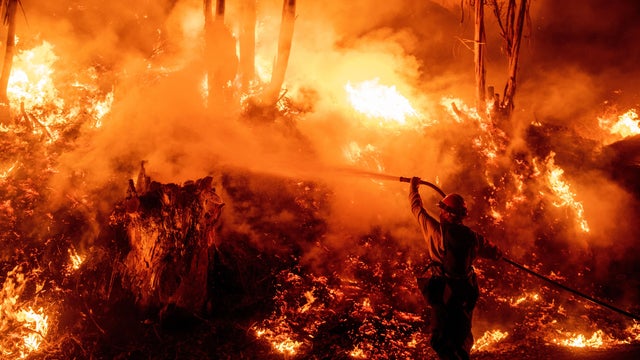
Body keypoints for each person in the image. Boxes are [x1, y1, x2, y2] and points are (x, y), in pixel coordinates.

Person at [409, 177, 502, 360]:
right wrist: (497, 253)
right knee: (462, 336)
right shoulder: (472, 237)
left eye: (442, 209)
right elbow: (494, 252)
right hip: (467, 290)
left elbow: (417, 209)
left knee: (443, 338)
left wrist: (413, 188)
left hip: (444, 292)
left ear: (446, 212)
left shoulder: (436, 232)